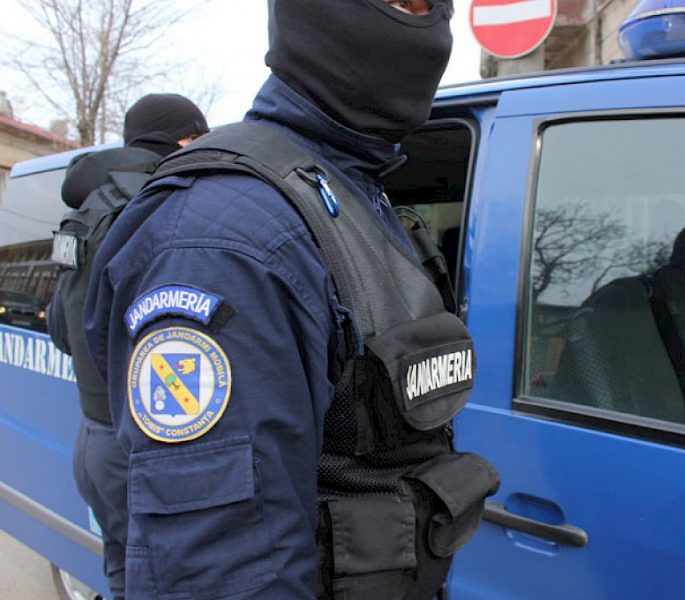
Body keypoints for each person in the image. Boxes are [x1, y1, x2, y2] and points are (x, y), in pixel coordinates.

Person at [83, 2, 499, 599]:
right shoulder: (224, 239)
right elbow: (220, 574)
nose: (426, 26)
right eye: (396, 1)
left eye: (432, 4)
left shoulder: (350, 192)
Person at [47, 93, 208, 600]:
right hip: (136, 446)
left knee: (124, 573)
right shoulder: (154, 204)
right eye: (199, 138)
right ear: (181, 139)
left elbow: (60, 328)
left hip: (93, 440)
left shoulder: (86, 211)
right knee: (167, 581)